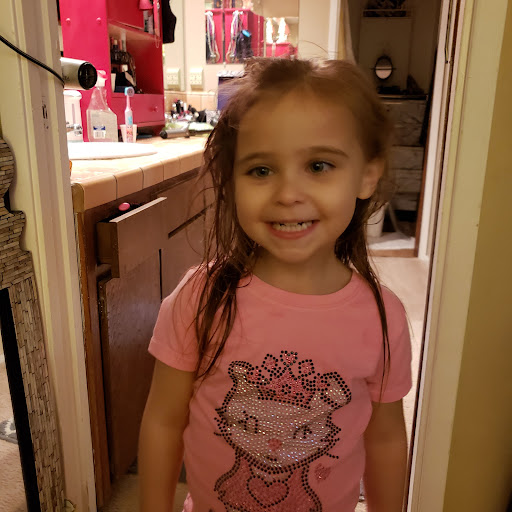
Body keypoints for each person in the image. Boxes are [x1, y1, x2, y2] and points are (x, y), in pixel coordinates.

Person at [139, 58, 412, 512]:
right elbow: (163, 423)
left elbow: (384, 440)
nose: (287, 194)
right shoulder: (201, 298)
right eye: (261, 171)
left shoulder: (383, 318)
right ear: (231, 180)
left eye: (319, 165)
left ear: (367, 174)